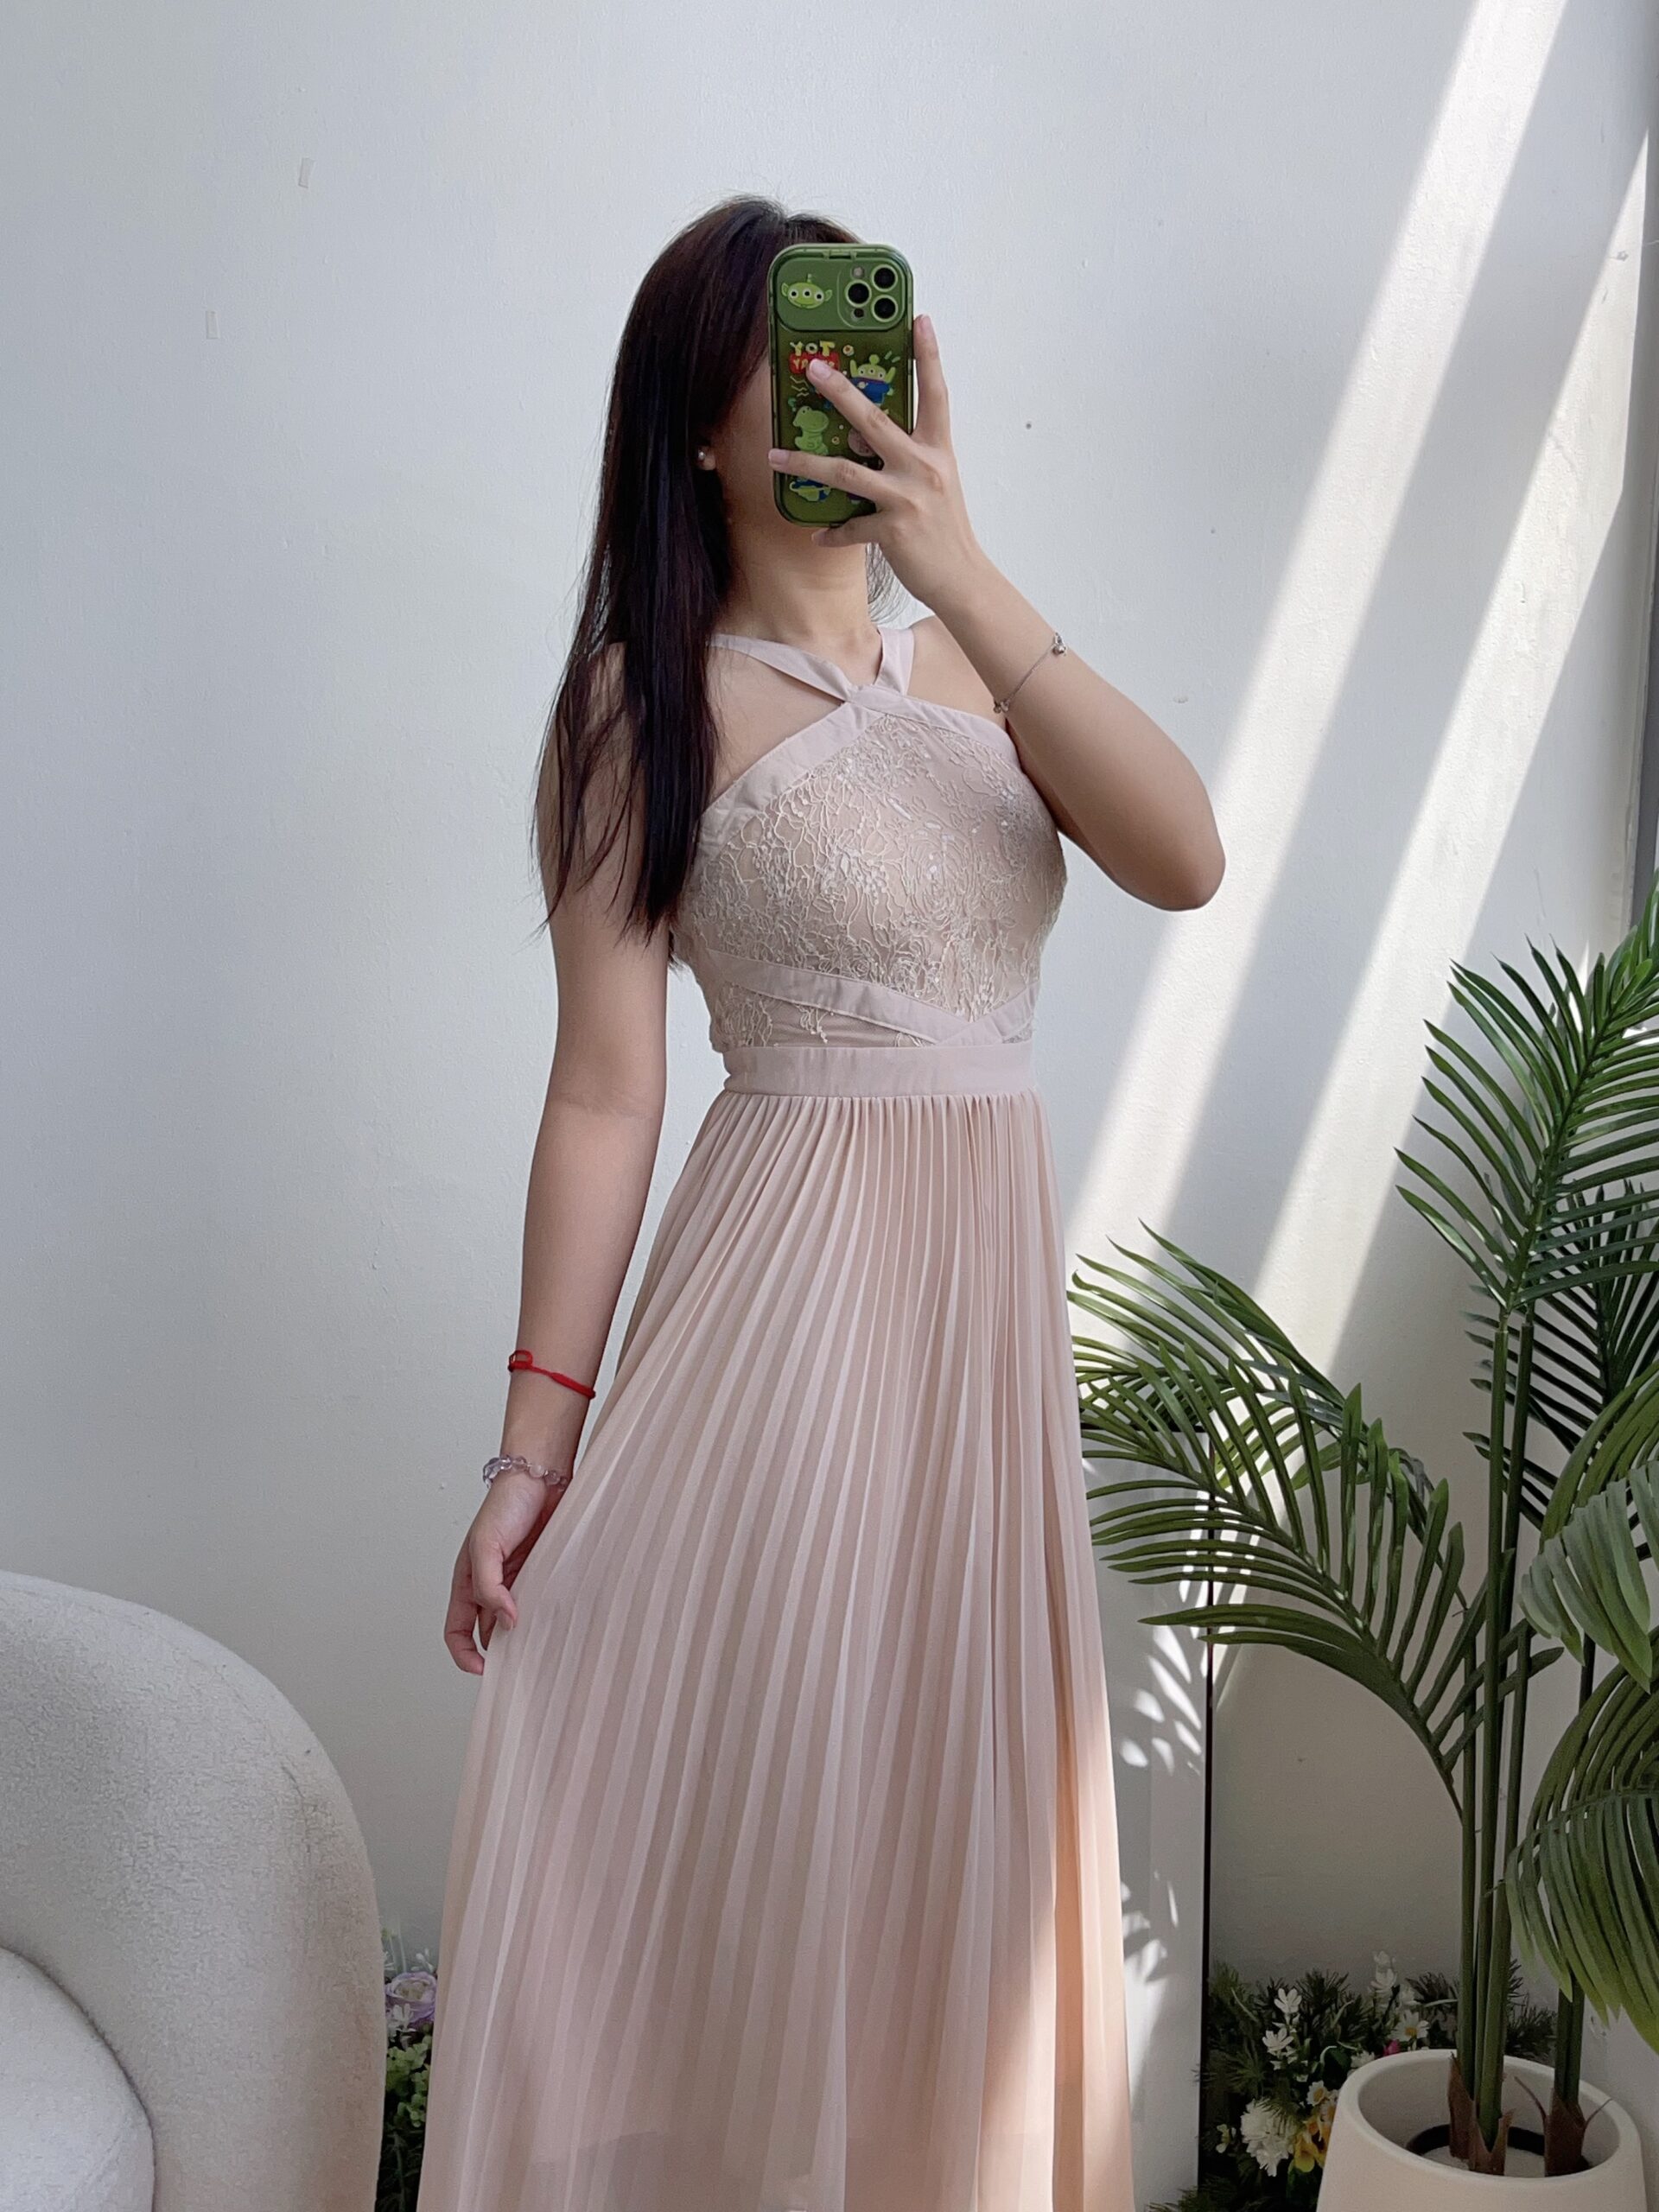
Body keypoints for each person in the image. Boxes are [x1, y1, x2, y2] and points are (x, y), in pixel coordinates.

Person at [416, 194, 1224, 2212]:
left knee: (952, 1851)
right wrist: (530, 1453)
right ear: (705, 427)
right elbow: (606, 1092)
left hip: (972, 1356)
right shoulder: (640, 703)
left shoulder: (984, 666)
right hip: (779, 1334)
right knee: (773, 1819)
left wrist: (964, 566)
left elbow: (1185, 855)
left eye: (863, 350)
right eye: (792, 365)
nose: (838, 392)